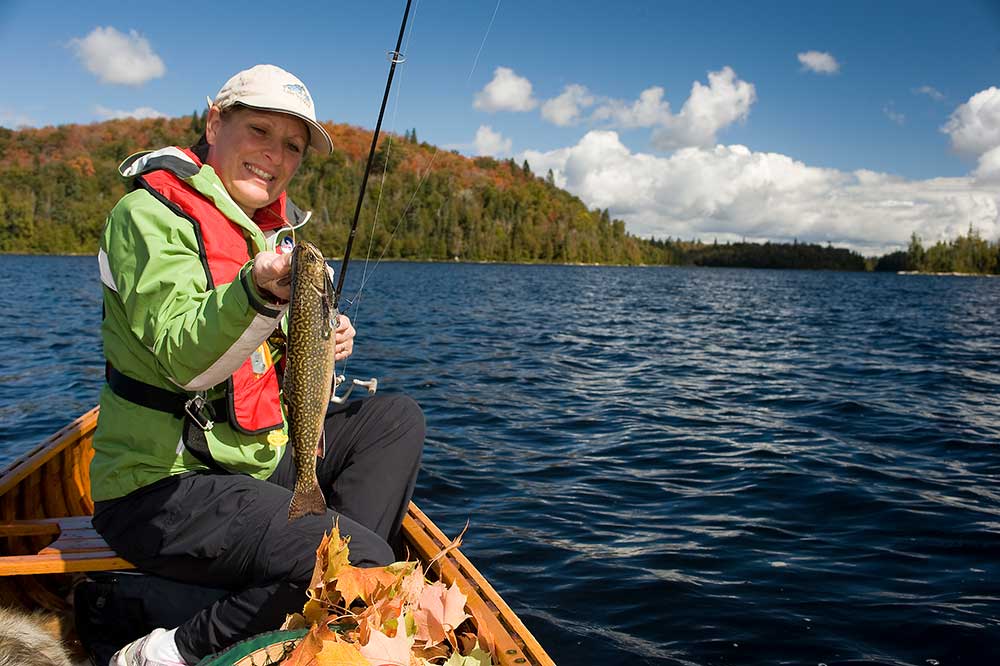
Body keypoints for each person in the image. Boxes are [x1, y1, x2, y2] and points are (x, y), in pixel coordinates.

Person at [91, 64, 424, 666]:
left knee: (394, 418)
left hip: (253, 464)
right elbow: (183, 360)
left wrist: (321, 335)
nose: (273, 156)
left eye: (292, 146)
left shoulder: (266, 236)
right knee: (359, 560)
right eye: (260, 131)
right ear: (215, 122)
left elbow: (267, 354)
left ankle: (320, 578)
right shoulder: (145, 217)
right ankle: (172, 650)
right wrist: (261, 293)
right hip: (161, 489)